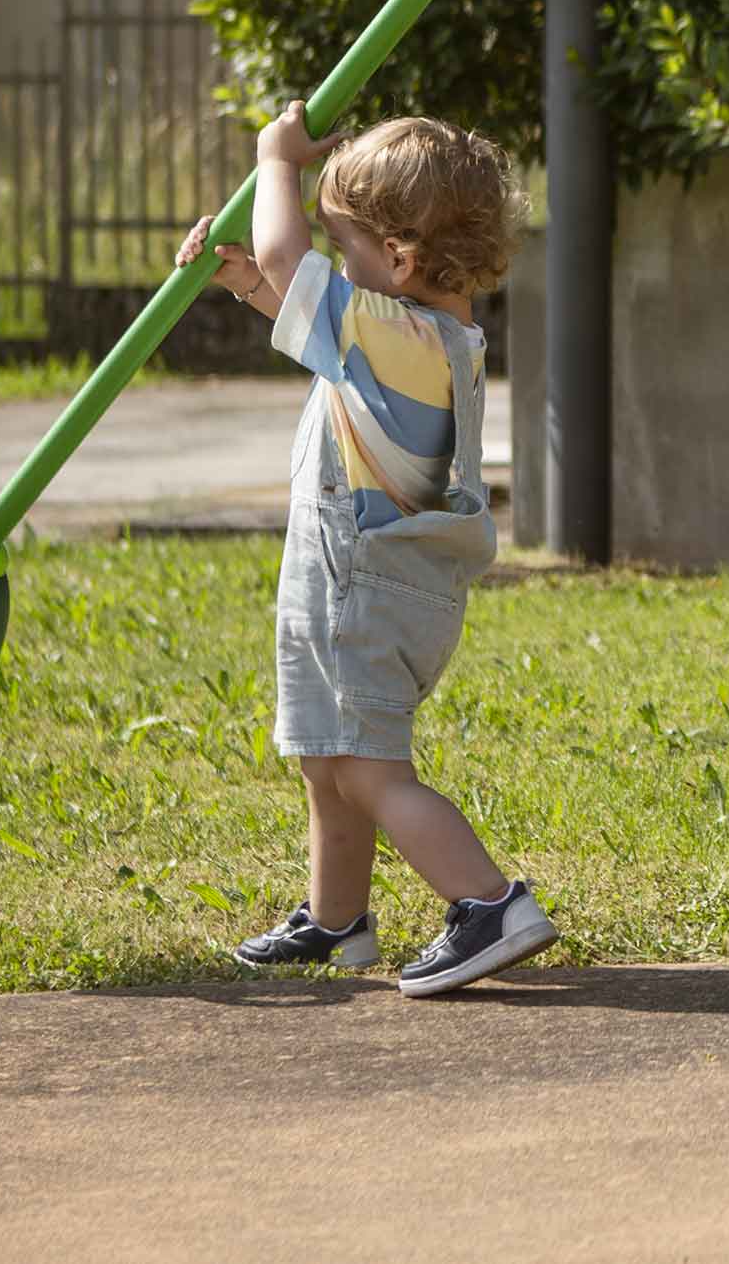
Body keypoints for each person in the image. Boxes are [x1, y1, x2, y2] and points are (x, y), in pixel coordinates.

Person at [177, 103, 555, 996]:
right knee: (327, 757)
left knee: (367, 768)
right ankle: (336, 921)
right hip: (378, 583)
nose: (329, 267)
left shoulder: (396, 336)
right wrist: (247, 285)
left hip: (364, 587)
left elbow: (284, 261)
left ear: (400, 258)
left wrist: (276, 159)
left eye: (343, 250)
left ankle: (488, 904)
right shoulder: (424, 339)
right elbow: (290, 294)